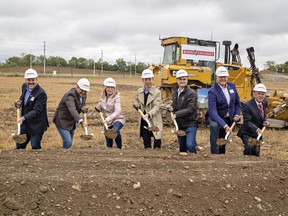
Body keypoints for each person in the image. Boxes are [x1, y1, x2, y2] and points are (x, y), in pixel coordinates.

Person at [206, 66, 241, 154]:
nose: (223, 79)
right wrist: (225, 125)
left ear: (227, 77)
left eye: (224, 77)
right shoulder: (212, 91)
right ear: (216, 77)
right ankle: (214, 153)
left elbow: (237, 103)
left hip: (229, 117)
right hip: (217, 116)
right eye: (220, 77)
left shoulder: (232, 86)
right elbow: (212, 111)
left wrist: (237, 114)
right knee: (214, 126)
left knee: (224, 137)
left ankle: (221, 155)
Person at [14, 68, 49, 149]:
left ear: (37, 79)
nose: (30, 82)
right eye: (28, 80)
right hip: (25, 123)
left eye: (33, 80)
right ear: (25, 80)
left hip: (37, 125)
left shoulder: (41, 93)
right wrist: (17, 103)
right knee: (19, 146)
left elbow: (37, 111)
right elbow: (23, 100)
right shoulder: (24, 87)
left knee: (35, 147)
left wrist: (23, 118)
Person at [53, 78, 90, 149]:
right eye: (81, 90)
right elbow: (72, 109)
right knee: (68, 142)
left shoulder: (84, 95)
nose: (83, 92)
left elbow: (82, 105)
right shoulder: (70, 95)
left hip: (71, 121)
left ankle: (67, 157)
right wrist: (81, 121)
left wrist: (83, 108)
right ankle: (64, 157)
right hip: (62, 120)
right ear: (77, 86)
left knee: (69, 144)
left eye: (85, 91)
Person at [169, 69, 198, 153]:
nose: (182, 81)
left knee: (190, 145)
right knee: (182, 148)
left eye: (184, 79)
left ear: (187, 80)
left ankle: (193, 160)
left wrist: (176, 114)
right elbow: (176, 107)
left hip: (190, 123)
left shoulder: (191, 93)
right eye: (180, 79)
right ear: (177, 80)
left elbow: (190, 109)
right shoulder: (175, 92)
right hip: (180, 124)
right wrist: (171, 109)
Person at [237, 83, 269, 157]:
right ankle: (245, 165)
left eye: (262, 94)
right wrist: (257, 129)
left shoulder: (264, 103)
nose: (260, 96)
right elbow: (247, 122)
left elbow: (264, 115)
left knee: (256, 151)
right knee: (249, 148)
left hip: (258, 133)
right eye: (258, 94)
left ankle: (254, 167)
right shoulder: (247, 105)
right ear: (254, 94)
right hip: (247, 132)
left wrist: (265, 121)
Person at [135, 69, 163, 149]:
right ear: (142, 80)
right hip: (144, 119)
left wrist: (149, 114)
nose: (148, 81)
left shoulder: (157, 92)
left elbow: (157, 106)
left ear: (152, 80)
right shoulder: (139, 91)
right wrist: (136, 105)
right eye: (145, 79)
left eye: (149, 79)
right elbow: (137, 101)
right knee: (146, 143)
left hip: (154, 119)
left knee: (157, 140)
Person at [97, 78, 125, 149]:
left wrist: (108, 118)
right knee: (108, 136)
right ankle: (109, 151)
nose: (110, 89)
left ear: (114, 88)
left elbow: (117, 111)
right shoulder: (102, 96)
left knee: (114, 131)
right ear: (105, 88)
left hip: (117, 119)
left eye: (112, 87)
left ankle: (119, 148)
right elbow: (101, 104)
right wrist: (98, 106)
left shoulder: (116, 97)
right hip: (107, 121)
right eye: (108, 87)